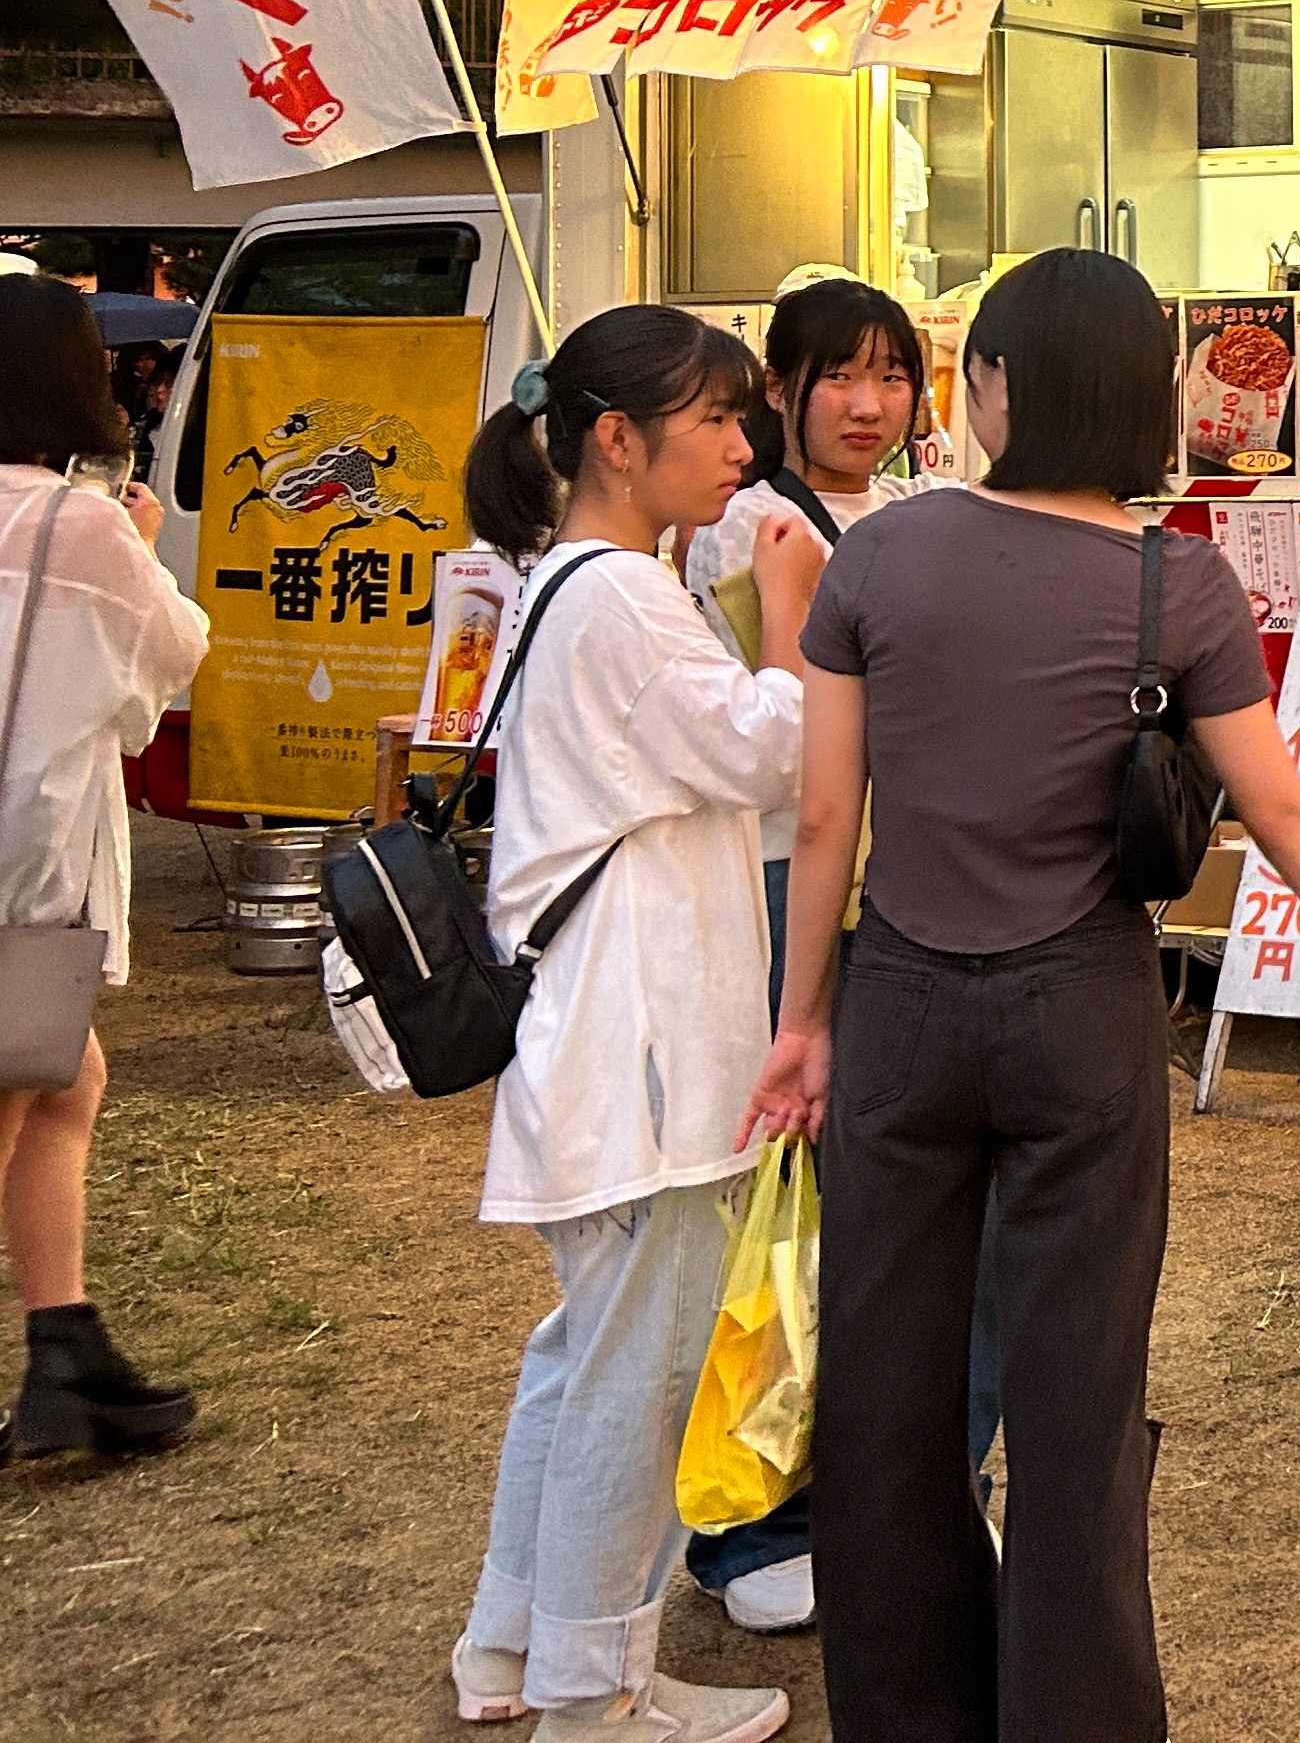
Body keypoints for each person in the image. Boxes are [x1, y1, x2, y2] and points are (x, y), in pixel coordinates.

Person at [750, 247, 1300, 1734]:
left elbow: (828, 823)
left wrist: (801, 1028)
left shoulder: (880, 562)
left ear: (1000, 387)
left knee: (887, 1401)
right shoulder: (1183, 582)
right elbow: (1285, 816)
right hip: (1084, 1019)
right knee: (1076, 1408)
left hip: (904, 1004)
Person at [446, 305, 823, 1743]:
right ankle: (594, 1692)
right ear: (618, 438)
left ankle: (513, 1647)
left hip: (607, 1042)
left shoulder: (579, 584)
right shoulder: (616, 595)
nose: (745, 449)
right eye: (719, 422)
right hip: (642, 1054)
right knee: (638, 1374)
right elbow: (767, 750)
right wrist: (792, 620)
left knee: (587, 1353)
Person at [676, 278, 941, 1636]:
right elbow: (785, 738)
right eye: (838, 374)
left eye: (891, 375)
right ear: (780, 389)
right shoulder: (748, 526)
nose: (866, 402)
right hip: (788, 880)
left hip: (886, 880)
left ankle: (832, 1496)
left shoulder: (907, 515)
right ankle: (744, 1525)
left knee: (859, 1210)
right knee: (787, 1202)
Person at [0, 277, 209, 1468]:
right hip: (26, 878)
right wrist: (134, 545)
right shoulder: (72, 526)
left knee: (66, 1082)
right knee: (26, 1089)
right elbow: (167, 661)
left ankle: (63, 1341)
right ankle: (61, 1353)